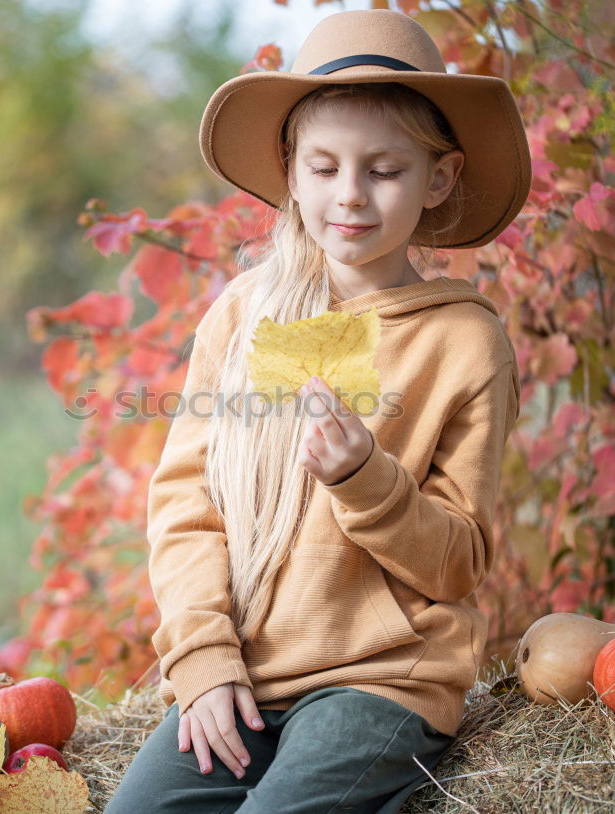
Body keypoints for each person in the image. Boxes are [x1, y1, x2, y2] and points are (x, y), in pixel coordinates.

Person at [104, 8, 529, 814]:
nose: (351, 196)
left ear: (438, 179)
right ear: (291, 172)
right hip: (250, 675)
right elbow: (186, 504)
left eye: (385, 169)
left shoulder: (464, 342)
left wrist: (365, 478)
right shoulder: (246, 315)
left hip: (382, 680)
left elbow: (459, 561)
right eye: (325, 167)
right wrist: (201, 659)